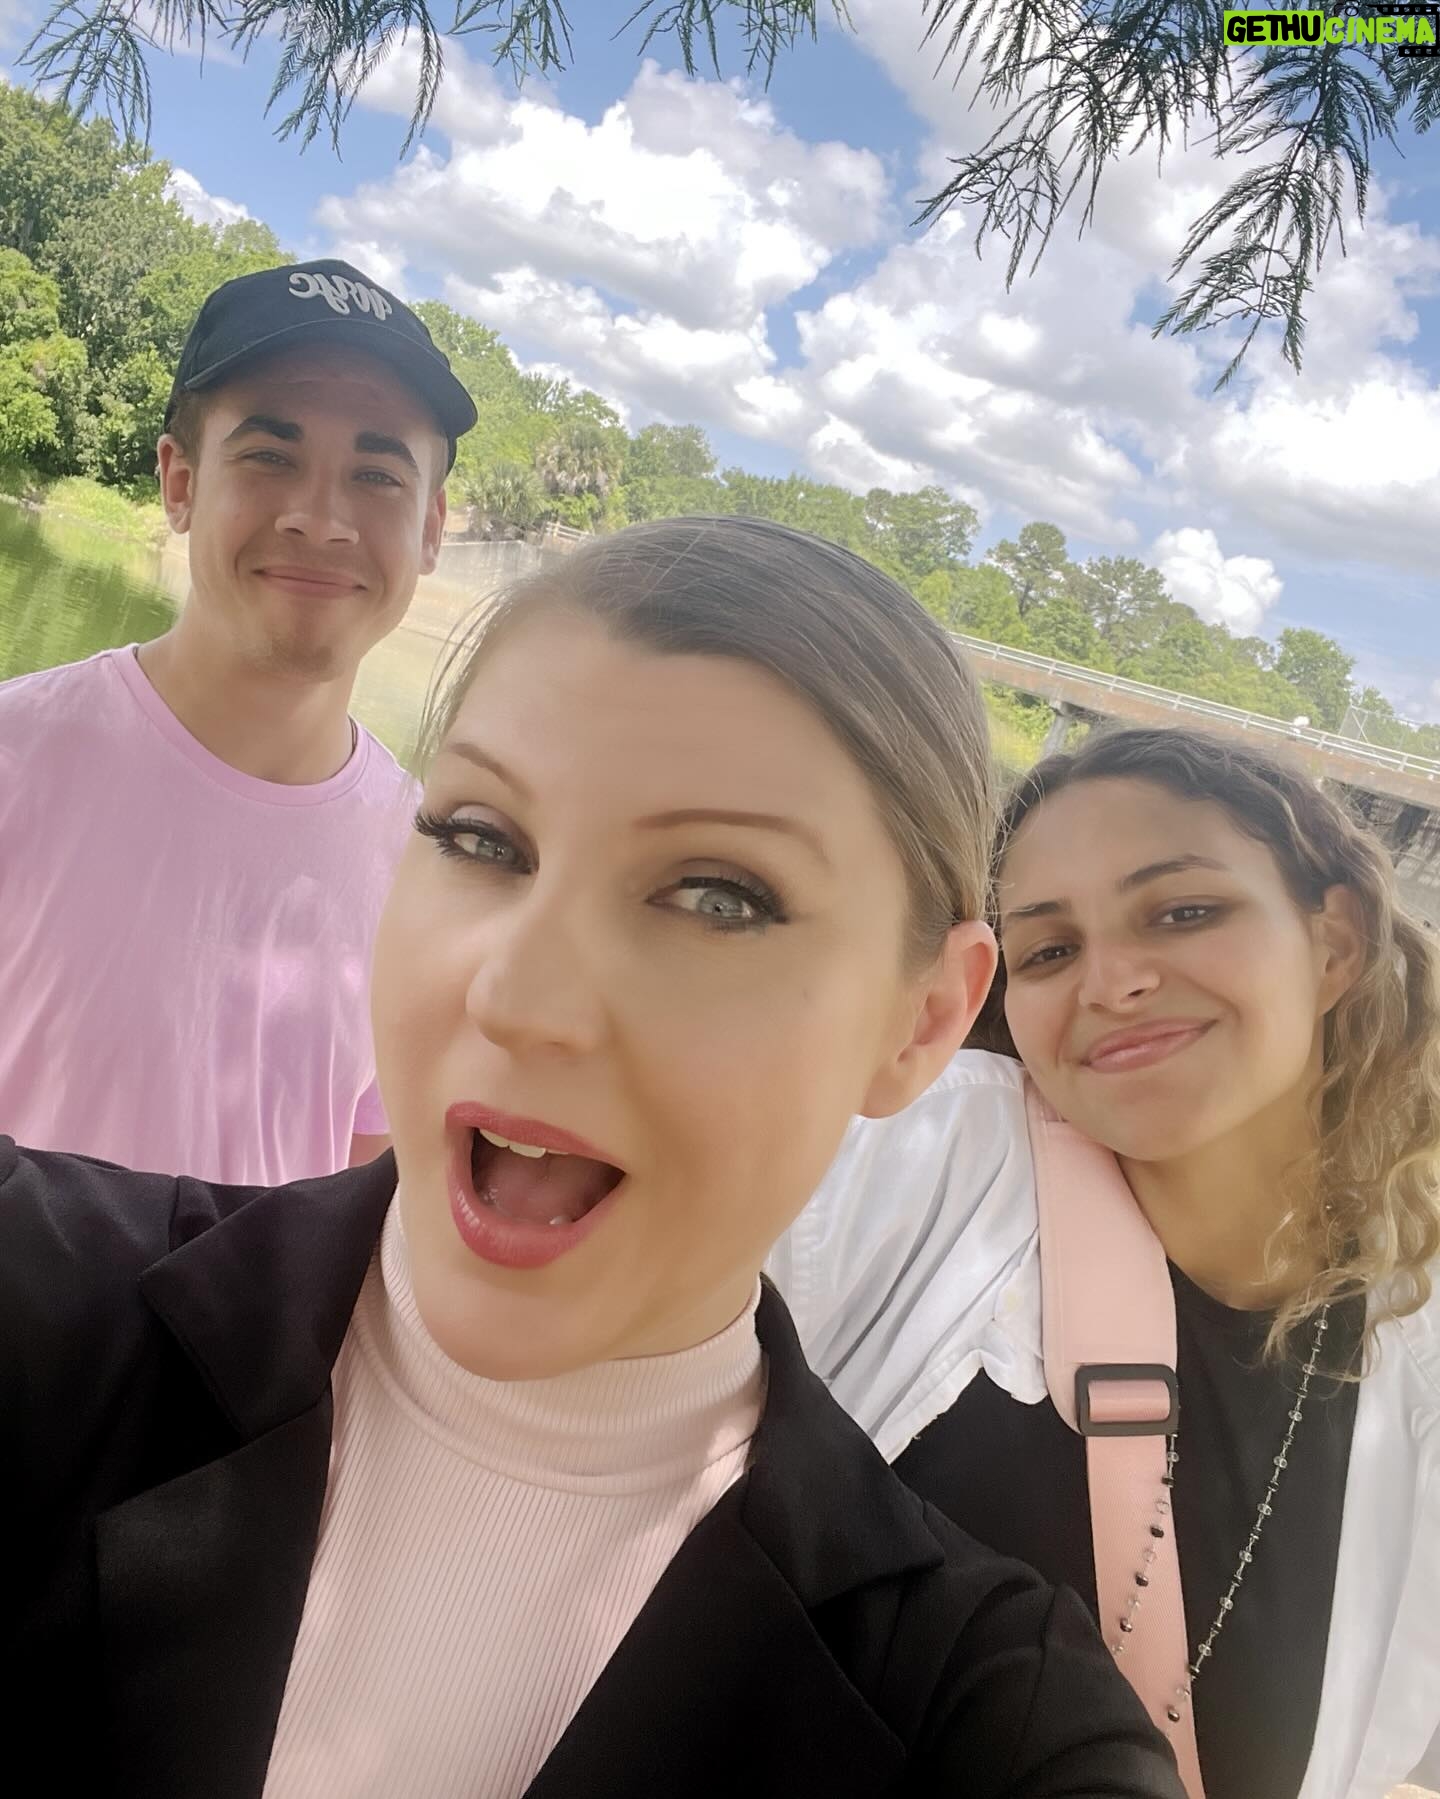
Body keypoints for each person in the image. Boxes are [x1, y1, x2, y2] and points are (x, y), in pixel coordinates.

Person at [0, 520, 1186, 1799]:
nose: (518, 997)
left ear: (924, 1019)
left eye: (718, 896)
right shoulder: (44, 1301)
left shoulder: (989, 1719)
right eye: (480, 837)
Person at [771, 725, 1440, 1799]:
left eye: (1183, 911)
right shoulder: (915, 1155)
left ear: (1335, 944)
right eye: (1048, 950)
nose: (1114, 981)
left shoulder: (1414, 1341)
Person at [0, 259, 476, 1184]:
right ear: (179, 482)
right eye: (270, 456)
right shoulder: (17, 757)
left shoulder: (432, 868)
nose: (321, 520)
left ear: (431, 526)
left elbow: (357, 1185)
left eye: (378, 474)